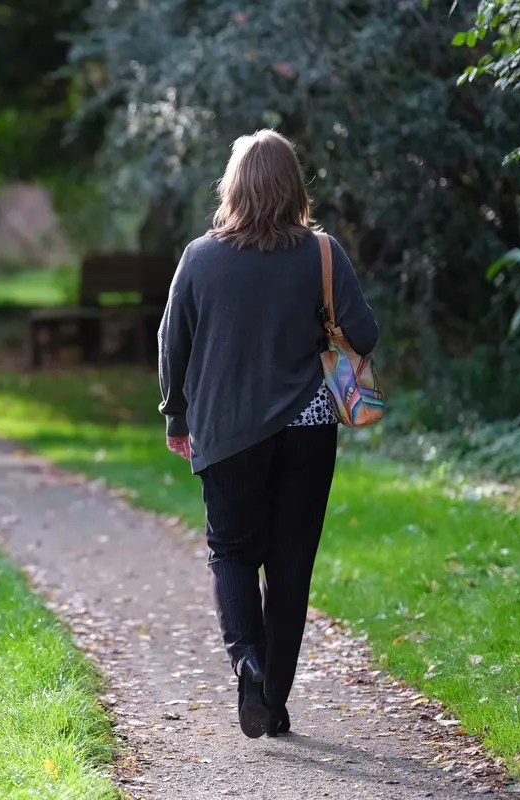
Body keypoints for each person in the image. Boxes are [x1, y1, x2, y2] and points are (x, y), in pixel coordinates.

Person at [156, 129, 379, 739]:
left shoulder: (200, 257)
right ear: (294, 187)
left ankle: (247, 664)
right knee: (290, 566)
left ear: (234, 187)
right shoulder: (322, 253)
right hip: (307, 428)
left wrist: (176, 416)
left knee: (231, 553)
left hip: (226, 431)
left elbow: (171, 346)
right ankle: (273, 702)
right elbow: (365, 333)